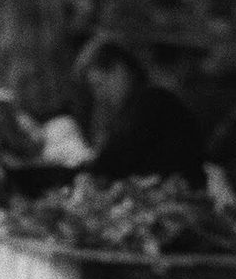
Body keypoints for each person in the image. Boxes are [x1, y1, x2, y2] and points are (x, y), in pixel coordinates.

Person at [76, 34, 207, 183]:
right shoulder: (137, 106)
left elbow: (112, 162)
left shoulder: (150, 103)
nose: (99, 96)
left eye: (99, 84)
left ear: (120, 70)